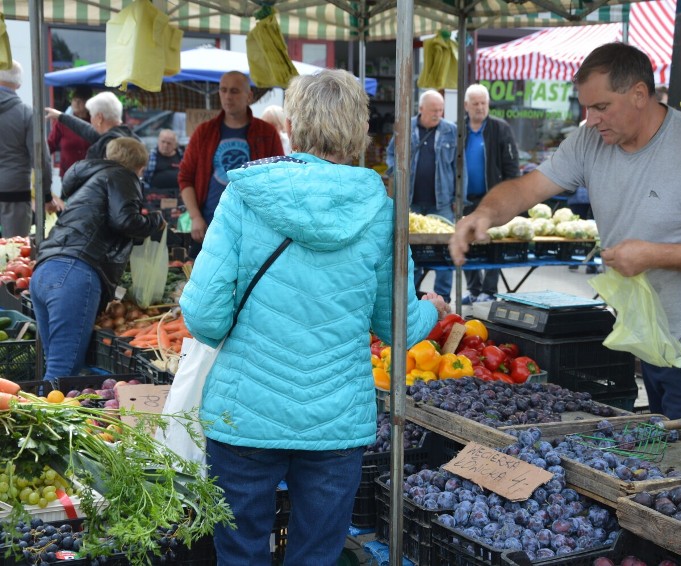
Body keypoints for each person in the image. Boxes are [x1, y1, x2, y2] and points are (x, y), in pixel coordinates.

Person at [178, 69, 448, 566]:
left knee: (239, 554)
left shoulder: (244, 196)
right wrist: (432, 312)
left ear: (293, 126)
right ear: (359, 131)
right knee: (317, 556)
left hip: (244, 416)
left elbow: (203, 315)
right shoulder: (383, 213)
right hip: (335, 420)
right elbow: (396, 327)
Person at [449, 42, 681, 439]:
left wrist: (652, 255)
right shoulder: (588, 142)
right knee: (663, 443)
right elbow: (527, 189)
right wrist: (483, 216)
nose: (591, 119)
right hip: (650, 328)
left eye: (601, 107)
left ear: (638, 94)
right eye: (586, 108)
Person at [30, 137, 164, 381]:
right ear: (139, 167)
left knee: (55, 367)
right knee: (63, 371)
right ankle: (44, 416)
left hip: (44, 269)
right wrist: (155, 221)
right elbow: (125, 220)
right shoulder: (123, 176)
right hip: (74, 272)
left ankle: (36, 413)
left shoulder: (90, 179)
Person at [178, 71, 282, 256]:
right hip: (210, 224)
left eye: (234, 91)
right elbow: (185, 177)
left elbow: (278, 179)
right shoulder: (204, 132)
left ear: (249, 96)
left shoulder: (267, 133)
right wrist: (195, 216)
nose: (227, 96)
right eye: (223, 90)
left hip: (253, 226)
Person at [386, 89, 457, 303]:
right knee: (411, 250)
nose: (438, 114)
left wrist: (458, 198)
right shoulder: (405, 128)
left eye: (441, 110)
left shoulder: (451, 130)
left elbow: (458, 165)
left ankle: (443, 297)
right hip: (411, 201)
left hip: (441, 201)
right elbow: (391, 153)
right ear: (421, 109)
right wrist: (394, 171)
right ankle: (412, 295)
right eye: (434, 110)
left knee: (446, 250)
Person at [460, 83, 520, 305]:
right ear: (466, 105)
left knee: (493, 243)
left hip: (493, 199)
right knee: (468, 243)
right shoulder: (459, 129)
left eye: (483, 103)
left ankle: (490, 290)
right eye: (475, 103)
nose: (480, 107)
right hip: (466, 199)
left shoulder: (500, 128)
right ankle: (474, 289)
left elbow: (512, 166)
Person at [0, 60, 56, 237]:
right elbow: (42, 161)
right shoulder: (27, 114)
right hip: (14, 192)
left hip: (13, 191)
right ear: (19, 84)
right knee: (14, 253)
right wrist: (46, 196)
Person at [44, 91, 138, 159]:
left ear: (100, 118)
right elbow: (85, 129)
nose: (91, 120)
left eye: (92, 115)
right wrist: (61, 116)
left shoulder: (109, 145)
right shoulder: (129, 137)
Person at [47, 86, 93, 178]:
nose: (76, 103)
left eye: (80, 101)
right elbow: (50, 145)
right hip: (68, 175)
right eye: (74, 100)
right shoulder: (62, 122)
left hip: (90, 175)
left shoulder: (94, 122)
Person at [142, 128, 183, 193]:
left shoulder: (182, 156)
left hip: (178, 194)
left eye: (169, 143)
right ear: (158, 141)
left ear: (175, 145)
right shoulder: (151, 157)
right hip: (155, 196)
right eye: (163, 142)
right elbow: (145, 180)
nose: (165, 145)